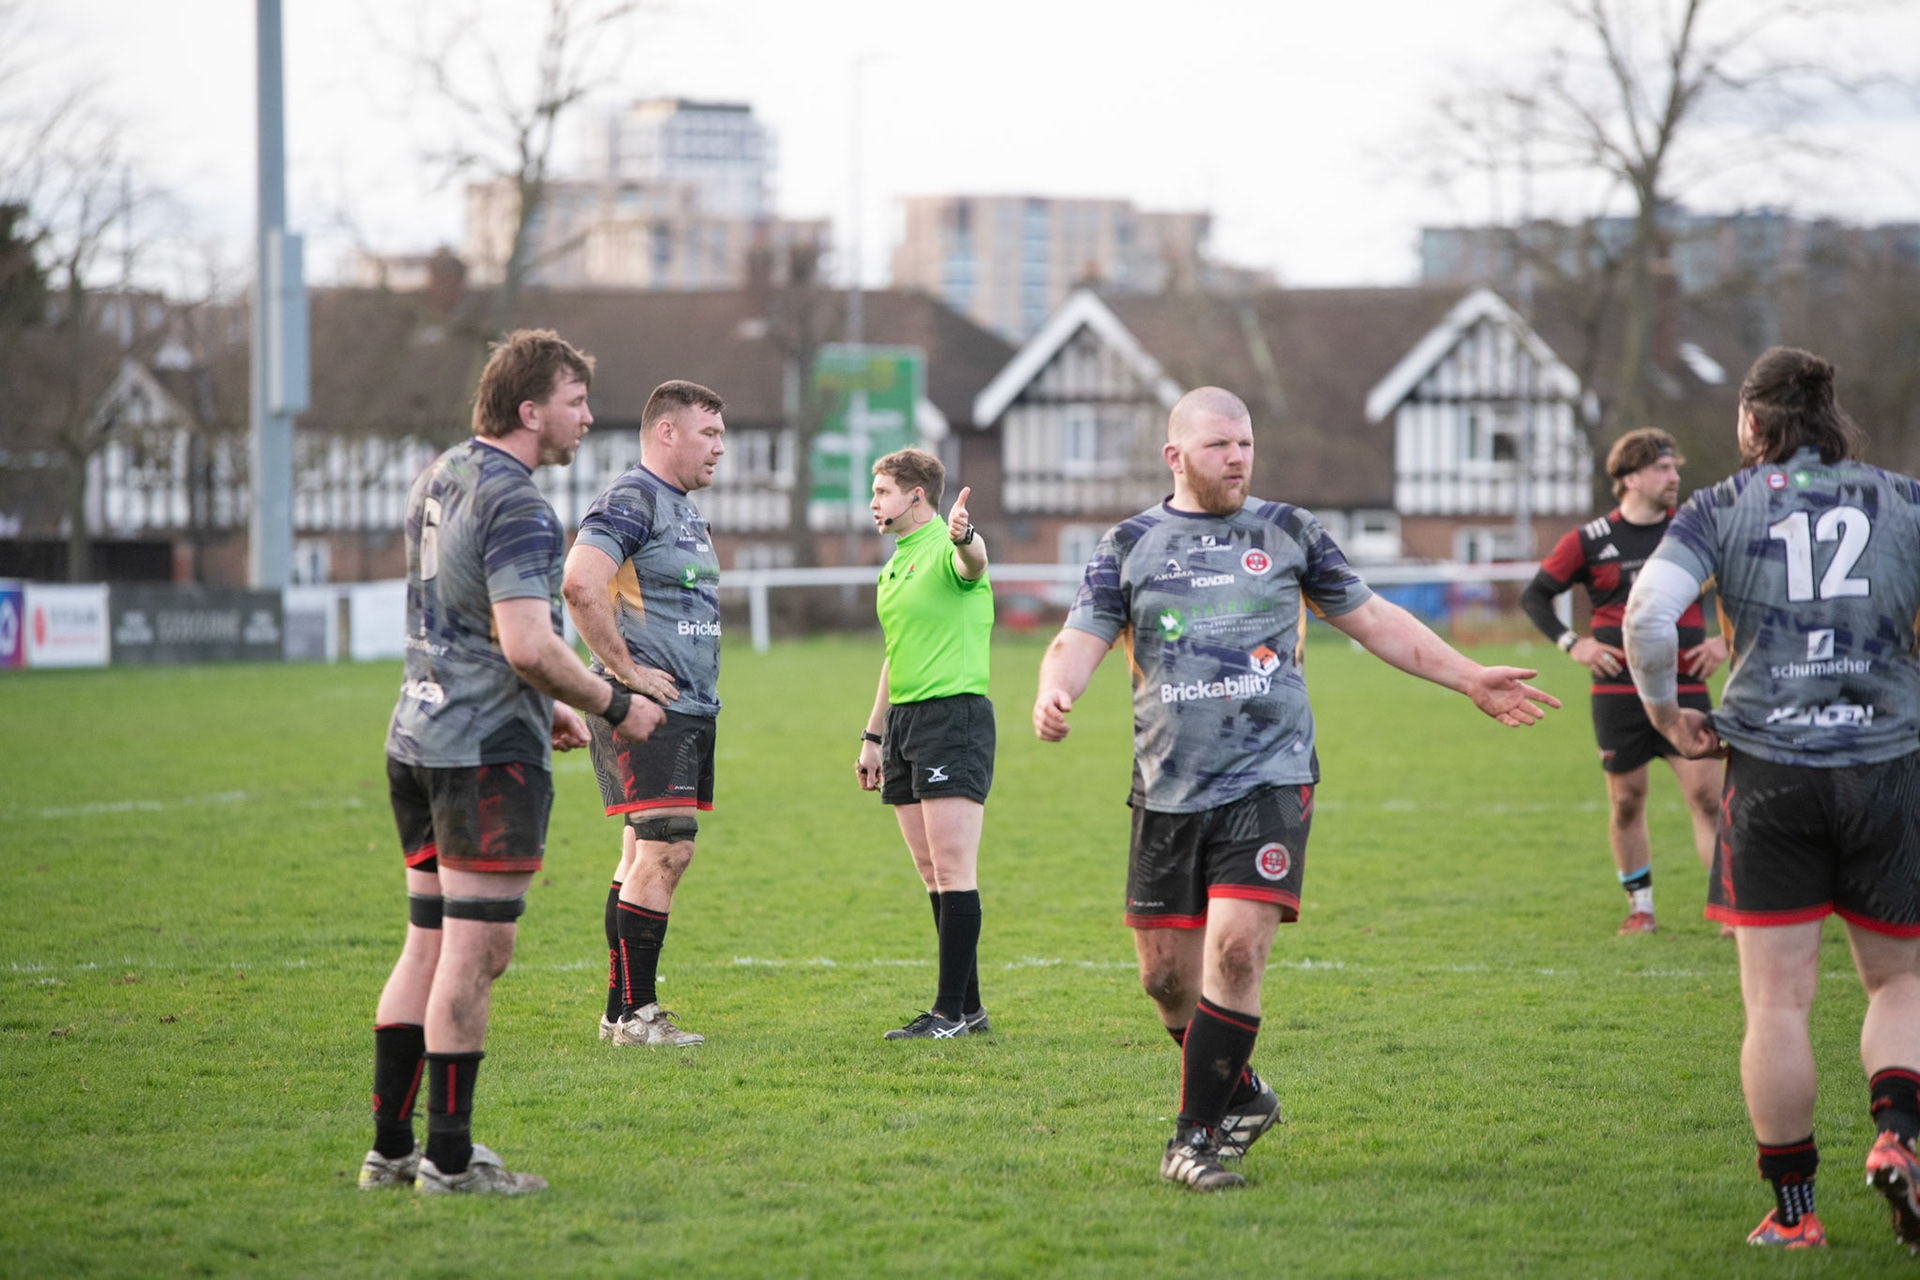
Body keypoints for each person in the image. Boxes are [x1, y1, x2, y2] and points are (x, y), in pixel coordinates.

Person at [1032, 386, 1560, 1191]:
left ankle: (1193, 1140)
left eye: (1245, 443)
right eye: (1219, 446)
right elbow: (1080, 638)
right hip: (1167, 787)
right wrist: (1055, 689)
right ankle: (1240, 1090)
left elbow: (1374, 619)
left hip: (1271, 779)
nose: (1237, 458)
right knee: (1166, 980)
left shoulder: (1288, 531)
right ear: (1175, 456)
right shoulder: (1129, 544)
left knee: (1235, 952)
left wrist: (1468, 677)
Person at [1624, 346, 1920, 1254]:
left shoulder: (1720, 505)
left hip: (1771, 775)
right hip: (1887, 767)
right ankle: (1898, 1137)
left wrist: (1667, 714)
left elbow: (1646, 615)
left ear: (1752, 422)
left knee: (1778, 1005)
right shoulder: (1903, 499)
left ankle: (1794, 1215)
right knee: (1901, 981)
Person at [361, 329, 665, 1196]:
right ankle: (451, 1162)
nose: (588, 417)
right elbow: (527, 643)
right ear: (530, 411)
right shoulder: (520, 504)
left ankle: (392, 1151)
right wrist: (611, 704)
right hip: (483, 758)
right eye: (576, 401)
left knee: (427, 943)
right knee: (476, 952)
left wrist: (550, 704)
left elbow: (465, 623)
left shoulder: (441, 474)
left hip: (416, 738)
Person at [561, 380, 727, 1049]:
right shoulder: (633, 498)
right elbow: (580, 583)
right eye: (709, 433)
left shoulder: (680, 507)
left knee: (641, 853)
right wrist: (626, 676)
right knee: (667, 850)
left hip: (688, 709)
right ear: (666, 432)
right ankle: (637, 1014)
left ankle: (619, 1015)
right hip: (650, 711)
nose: (720, 447)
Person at [1520, 429, 1728, 935]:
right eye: (1662, 468)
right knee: (1626, 800)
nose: (1674, 477)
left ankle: (1731, 907)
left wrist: (1725, 642)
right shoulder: (1590, 540)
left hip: (1685, 684)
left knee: (1708, 795)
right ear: (1630, 478)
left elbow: (1745, 584)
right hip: (1617, 693)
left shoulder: (1693, 531)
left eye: (1674, 468)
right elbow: (1535, 596)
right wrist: (1574, 643)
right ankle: (1641, 908)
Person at [854, 446, 995, 1039]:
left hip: (953, 717)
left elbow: (974, 564)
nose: (872, 502)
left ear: (916, 496)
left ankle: (947, 1014)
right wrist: (873, 734)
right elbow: (896, 654)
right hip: (906, 725)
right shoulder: (896, 563)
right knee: (931, 870)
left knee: (955, 868)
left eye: (882, 492)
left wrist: (967, 537)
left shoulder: (944, 546)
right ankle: (970, 1010)